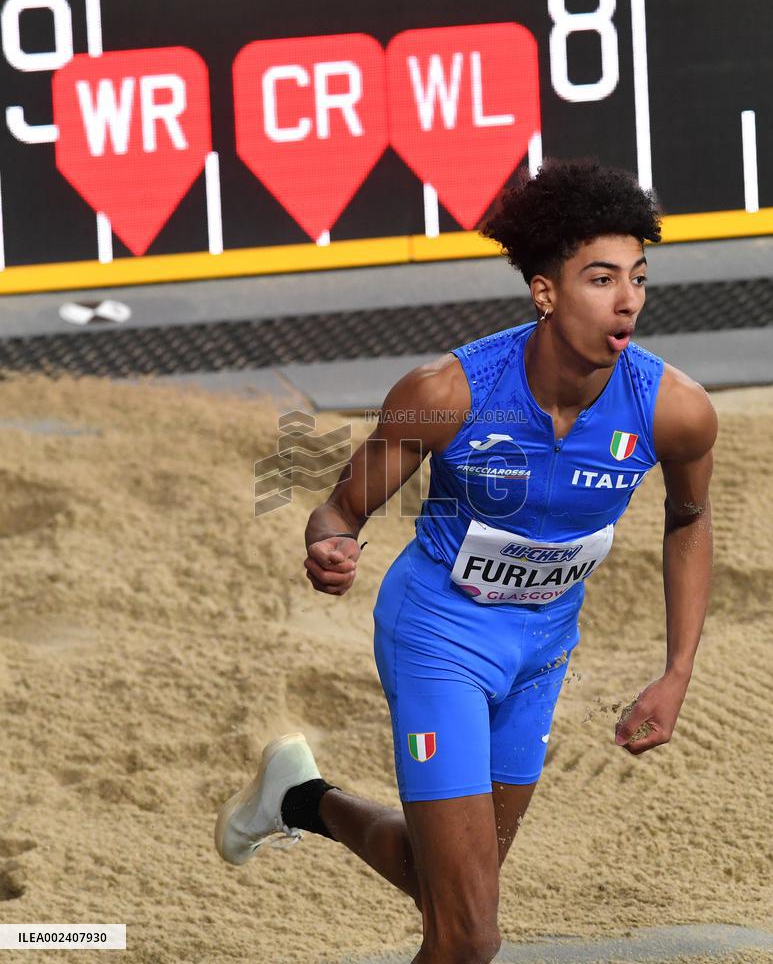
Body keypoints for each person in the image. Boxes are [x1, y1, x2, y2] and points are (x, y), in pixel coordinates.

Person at [215, 158, 717, 964]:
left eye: (638, 277)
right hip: (437, 640)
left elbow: (689, 521)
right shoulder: (447, 393)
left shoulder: (676, 411)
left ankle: (300, 799)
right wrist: (329, 544)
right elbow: (340, 506)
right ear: (545, 293)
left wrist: (678, 668)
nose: (627, 300)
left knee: (440, 882)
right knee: (470, 935)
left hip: (542, 653)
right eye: (600, 278)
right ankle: (301, 799)